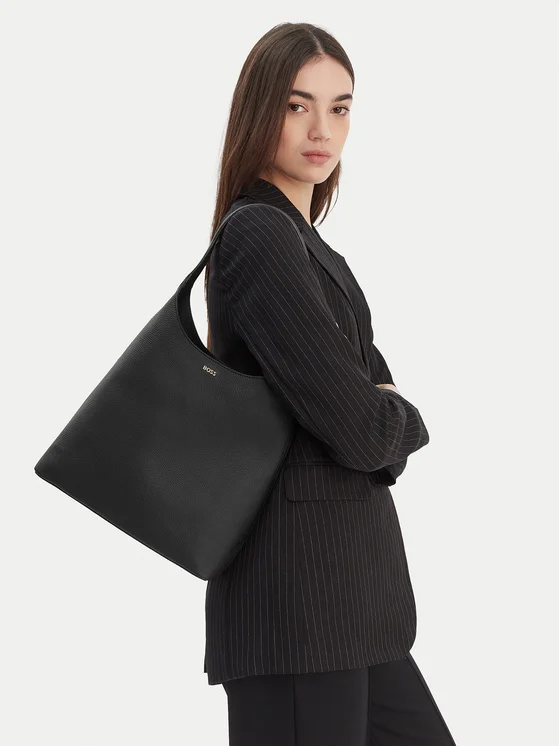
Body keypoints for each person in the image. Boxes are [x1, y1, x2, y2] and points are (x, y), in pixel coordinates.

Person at [202, 21, 457, 746]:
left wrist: (378, 411)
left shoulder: (307, 245)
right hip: (298, 608)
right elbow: (364, 427)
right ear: (261, 111)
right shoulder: (259, 234)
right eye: (297, 105)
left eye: (340, 107)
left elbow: (365, 404)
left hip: (349, 607)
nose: (323, 129)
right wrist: (402, 417)